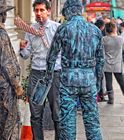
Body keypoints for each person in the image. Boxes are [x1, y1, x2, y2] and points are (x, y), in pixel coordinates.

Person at [45, 0, 104, 139]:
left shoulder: (63, 29)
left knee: (67, 125)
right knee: (93, 124)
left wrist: (48, 77)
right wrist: (98, 83)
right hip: (88, 80)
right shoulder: (95, 30)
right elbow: (101, 60)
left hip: (68, 81)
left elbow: (51, 56)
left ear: (69, 11)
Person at [19, 0, 61, 140]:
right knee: (35, 114)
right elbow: (26, 55)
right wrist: (22, 48)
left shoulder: (57, 28)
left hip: (54, 74)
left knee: (57, 113)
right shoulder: (31, 30)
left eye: (42, 10)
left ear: (48, 11)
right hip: (37, 74)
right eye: (36, 10)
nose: (39, 13)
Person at [0, 0, 24, 140]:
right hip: (3, 84)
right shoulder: (0, 33)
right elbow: (7, 63)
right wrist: (17, 86)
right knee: (8, 121)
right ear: (3, 15)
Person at [103, 22, 124, 104]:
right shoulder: (121, 39)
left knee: (108, 82)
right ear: (114, 29)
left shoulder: (104, 39)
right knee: (121, 81)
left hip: (107, 63)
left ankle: (111, 99)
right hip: (118, 64)